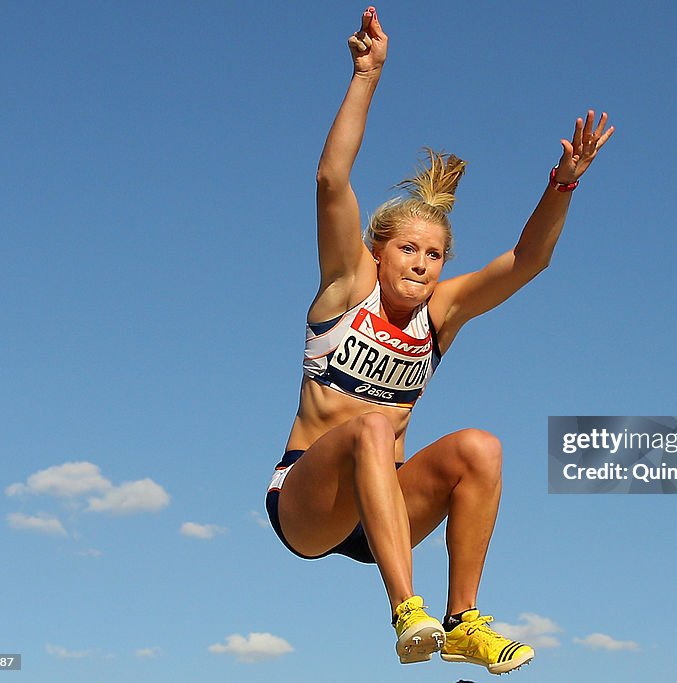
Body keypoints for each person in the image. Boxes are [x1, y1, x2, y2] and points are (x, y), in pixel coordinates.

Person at [265, 6, 614, 676]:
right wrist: (367, 75)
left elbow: (528, 261)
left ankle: (461, 622)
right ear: (377, 250)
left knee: (479, 446)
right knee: (372, 425)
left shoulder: (442, 312)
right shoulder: (346, 286)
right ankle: (406, 612)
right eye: (409, 249)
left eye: (435, 253)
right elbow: (331, 181)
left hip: (387, 510)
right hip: (309, 500)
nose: (423, 263)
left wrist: (564, 181)